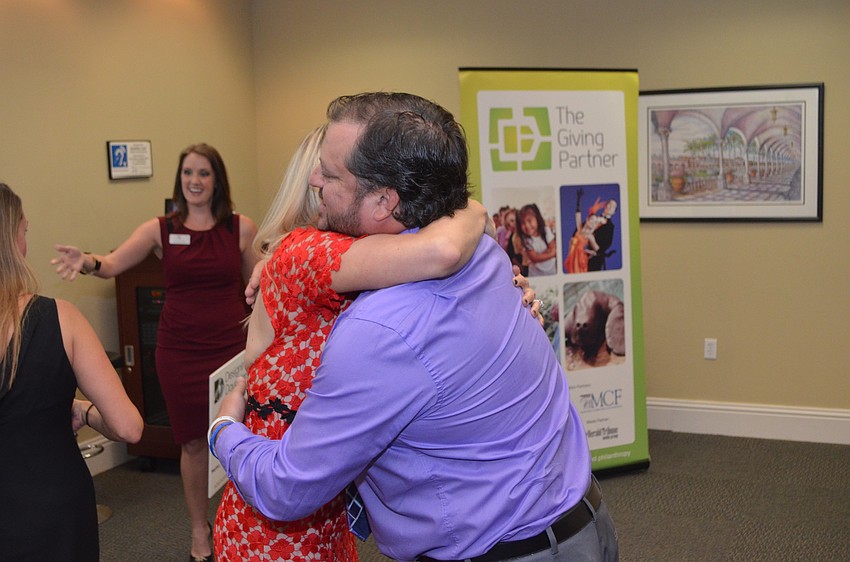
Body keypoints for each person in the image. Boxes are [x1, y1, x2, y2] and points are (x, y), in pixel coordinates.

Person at [210, 92, 618, 562]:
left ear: (384, 200)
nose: (316, 180)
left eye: (331, 173)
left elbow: (287, 488)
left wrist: (224, 429)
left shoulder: (380, 330)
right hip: (584, 524)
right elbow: (464, 219)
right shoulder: (480, 250)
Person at [213, 126, 498, 560]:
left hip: (323, 494)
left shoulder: (336, 256)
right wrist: (473, 209)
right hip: (276, 504)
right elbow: (441, 249)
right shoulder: (307, 253)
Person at [51, 143, 259, 562]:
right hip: (179, 353)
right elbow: (111, 264)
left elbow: (257, 287)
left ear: (217, 180)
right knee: (194, 444)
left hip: (229, 353)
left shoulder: (240, 228)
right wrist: (87, 260)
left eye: (203, 173)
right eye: (187, 174)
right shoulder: (159, 229)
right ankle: (200, 531)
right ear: (179, 180)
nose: (195, 181)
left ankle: (242, 522)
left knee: (239, 437)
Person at [0, 182, 143, 561]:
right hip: (54, 511)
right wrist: (85, 411)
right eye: (24, 231)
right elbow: (129, 427)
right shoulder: (59, 318)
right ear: (14, 241)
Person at [565, 188, 606, 274]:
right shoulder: (580, 229)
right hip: (572, 256)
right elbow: (577, 215)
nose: (592, 222)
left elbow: (598, 251)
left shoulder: (590, 235)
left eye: (595, 222)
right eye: (591, 220)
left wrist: (589, 252)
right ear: (587, 219)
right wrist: (578, 199)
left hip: (580, 260)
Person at [517, 202, 557, 276]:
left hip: (551, 270)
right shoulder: (526, 239)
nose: (527, 226)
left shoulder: (546, 230)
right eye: (523, 223)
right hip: (535, 274)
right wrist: (550, 254)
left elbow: (553, 250)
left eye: (529, 221)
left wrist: (539, 256)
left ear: (537, 219)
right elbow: (534, 258)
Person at [587, 199, 617, 272]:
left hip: (595, 259)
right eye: (609, 204)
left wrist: (594, 247)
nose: (610, 207)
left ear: (614, 212)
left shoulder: (610, 226)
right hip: (583, 255)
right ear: (606, 205)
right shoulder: (594, 218)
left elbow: (606, 244)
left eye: (613, 207)